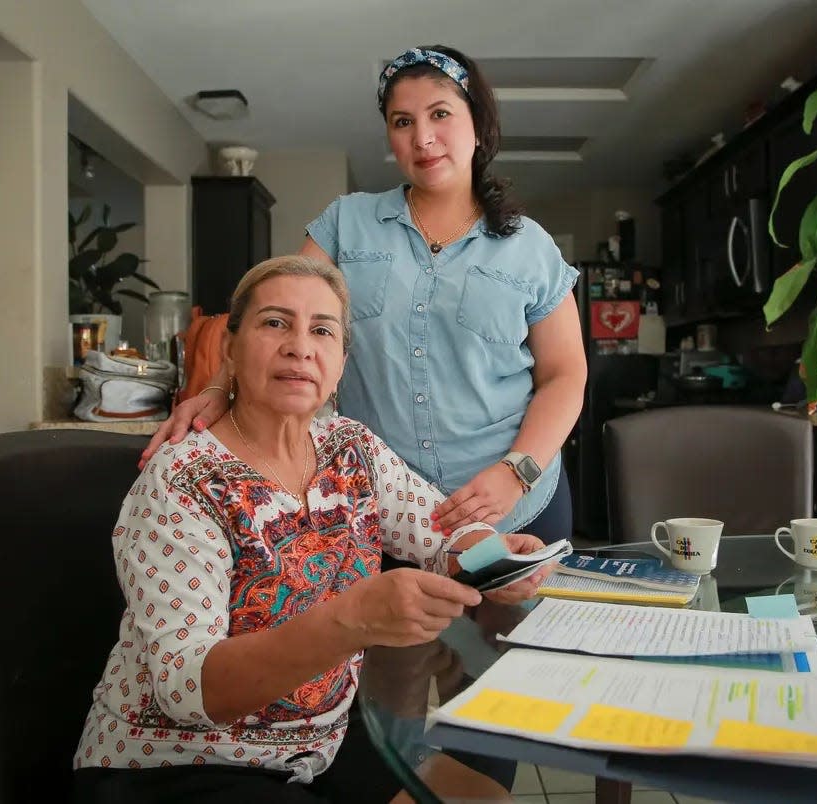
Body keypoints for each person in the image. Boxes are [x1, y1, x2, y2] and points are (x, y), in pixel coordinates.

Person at [74, 255, 550, 804]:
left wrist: (495, 557)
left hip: (322, 748)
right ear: (230, 349)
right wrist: (352, 619)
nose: (300, 346)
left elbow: (441, 531)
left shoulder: (350, 447)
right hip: (178, 763)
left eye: (322, 330)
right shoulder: (182, 481)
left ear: (341, 361)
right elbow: (189, 689)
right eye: (275, 323)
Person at [143, 45, 587, 546]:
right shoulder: (345, 224)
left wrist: (516, 472)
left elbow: (565, 374)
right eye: (402, 122)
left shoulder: (531, 248)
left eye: (440, 114)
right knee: (391, 624)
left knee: (524, 627)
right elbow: (278, 316)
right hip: (381, 510)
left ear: (478, 124)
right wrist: (218, 388)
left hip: (517, 503)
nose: (423, 137)